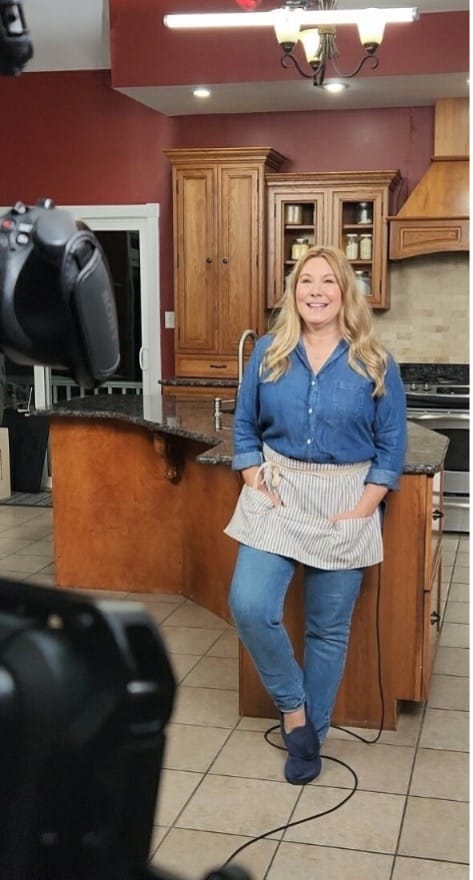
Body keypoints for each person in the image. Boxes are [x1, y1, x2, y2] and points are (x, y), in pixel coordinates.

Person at [224, 245, 407, 785]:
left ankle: (310, 738)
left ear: (345, 292)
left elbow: (391, 448)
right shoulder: (268, 354)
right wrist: (256, 481)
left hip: (345, 499)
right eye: (307, 281)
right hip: (276, 492)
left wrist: (362, 508)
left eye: (329, 281)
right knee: (249, 604)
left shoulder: (375, 362)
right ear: (294, 291)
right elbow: (243, 429)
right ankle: (293, 709)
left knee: (328, 630)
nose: (317, 291)